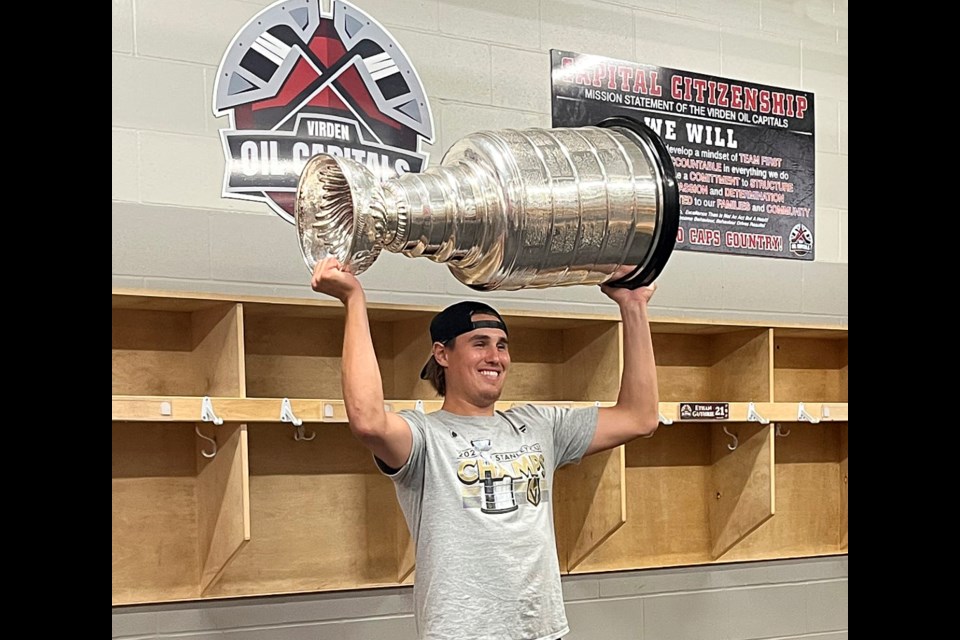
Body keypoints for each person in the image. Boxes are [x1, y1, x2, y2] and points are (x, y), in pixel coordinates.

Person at [310, 256, 660, 640]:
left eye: (502, 345)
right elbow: (367, 419)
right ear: (442, 355)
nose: (495, 357)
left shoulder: (538, 426)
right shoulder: (425, 438)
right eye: (479, 344)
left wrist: (634, 306)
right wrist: (354, 300)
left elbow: (639, 416)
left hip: (542, 632)